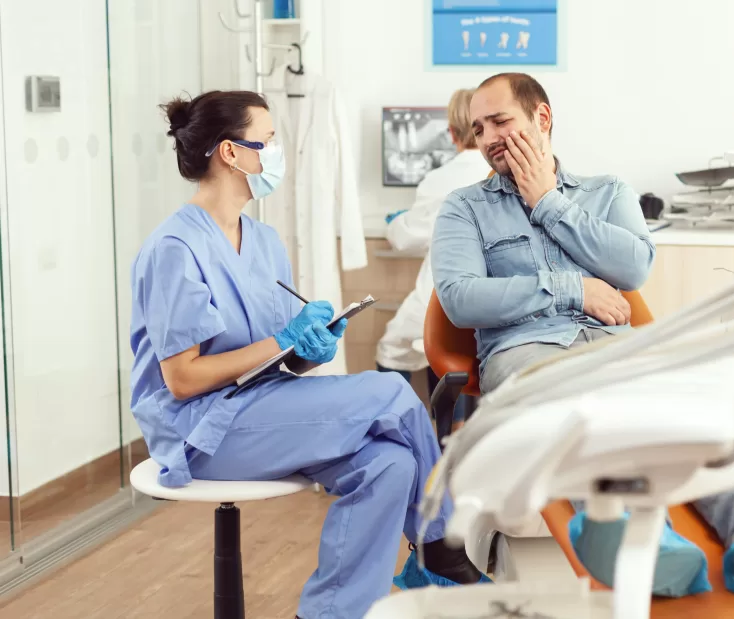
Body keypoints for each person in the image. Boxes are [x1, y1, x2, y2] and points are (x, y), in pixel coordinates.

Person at [431, 72, 734, 600]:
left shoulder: (606, 192)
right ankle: (642, 542)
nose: (490, 138)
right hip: (527, 354)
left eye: (501, 121)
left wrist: (548, 201)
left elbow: (634, 267)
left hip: (617, 343)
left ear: (542, 117)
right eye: (479, 129)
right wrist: (574, 289)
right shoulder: (464, 208)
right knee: (574, 408)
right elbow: (460, 296)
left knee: (690, 404)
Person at [129, 90, 484, 619]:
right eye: (267, 141)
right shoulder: (175, 248)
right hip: (201, 429)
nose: (275, 153)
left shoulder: (264, 240)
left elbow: (273, 357)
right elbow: (181, 379)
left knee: (388, 464)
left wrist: (308, 348)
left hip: (264, 409)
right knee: (389, 390)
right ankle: (444, 548)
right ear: (231, 152)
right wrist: (282, 341)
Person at [376, 89, 491, 428]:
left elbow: (405, 236)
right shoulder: (504, 172)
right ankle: (451, 429)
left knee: (393, 346)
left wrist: (395, 222)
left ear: (453, 132)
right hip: (491, 302)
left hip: (443, 297)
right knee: (450, 354)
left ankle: (403, 428)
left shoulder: (440, 179)